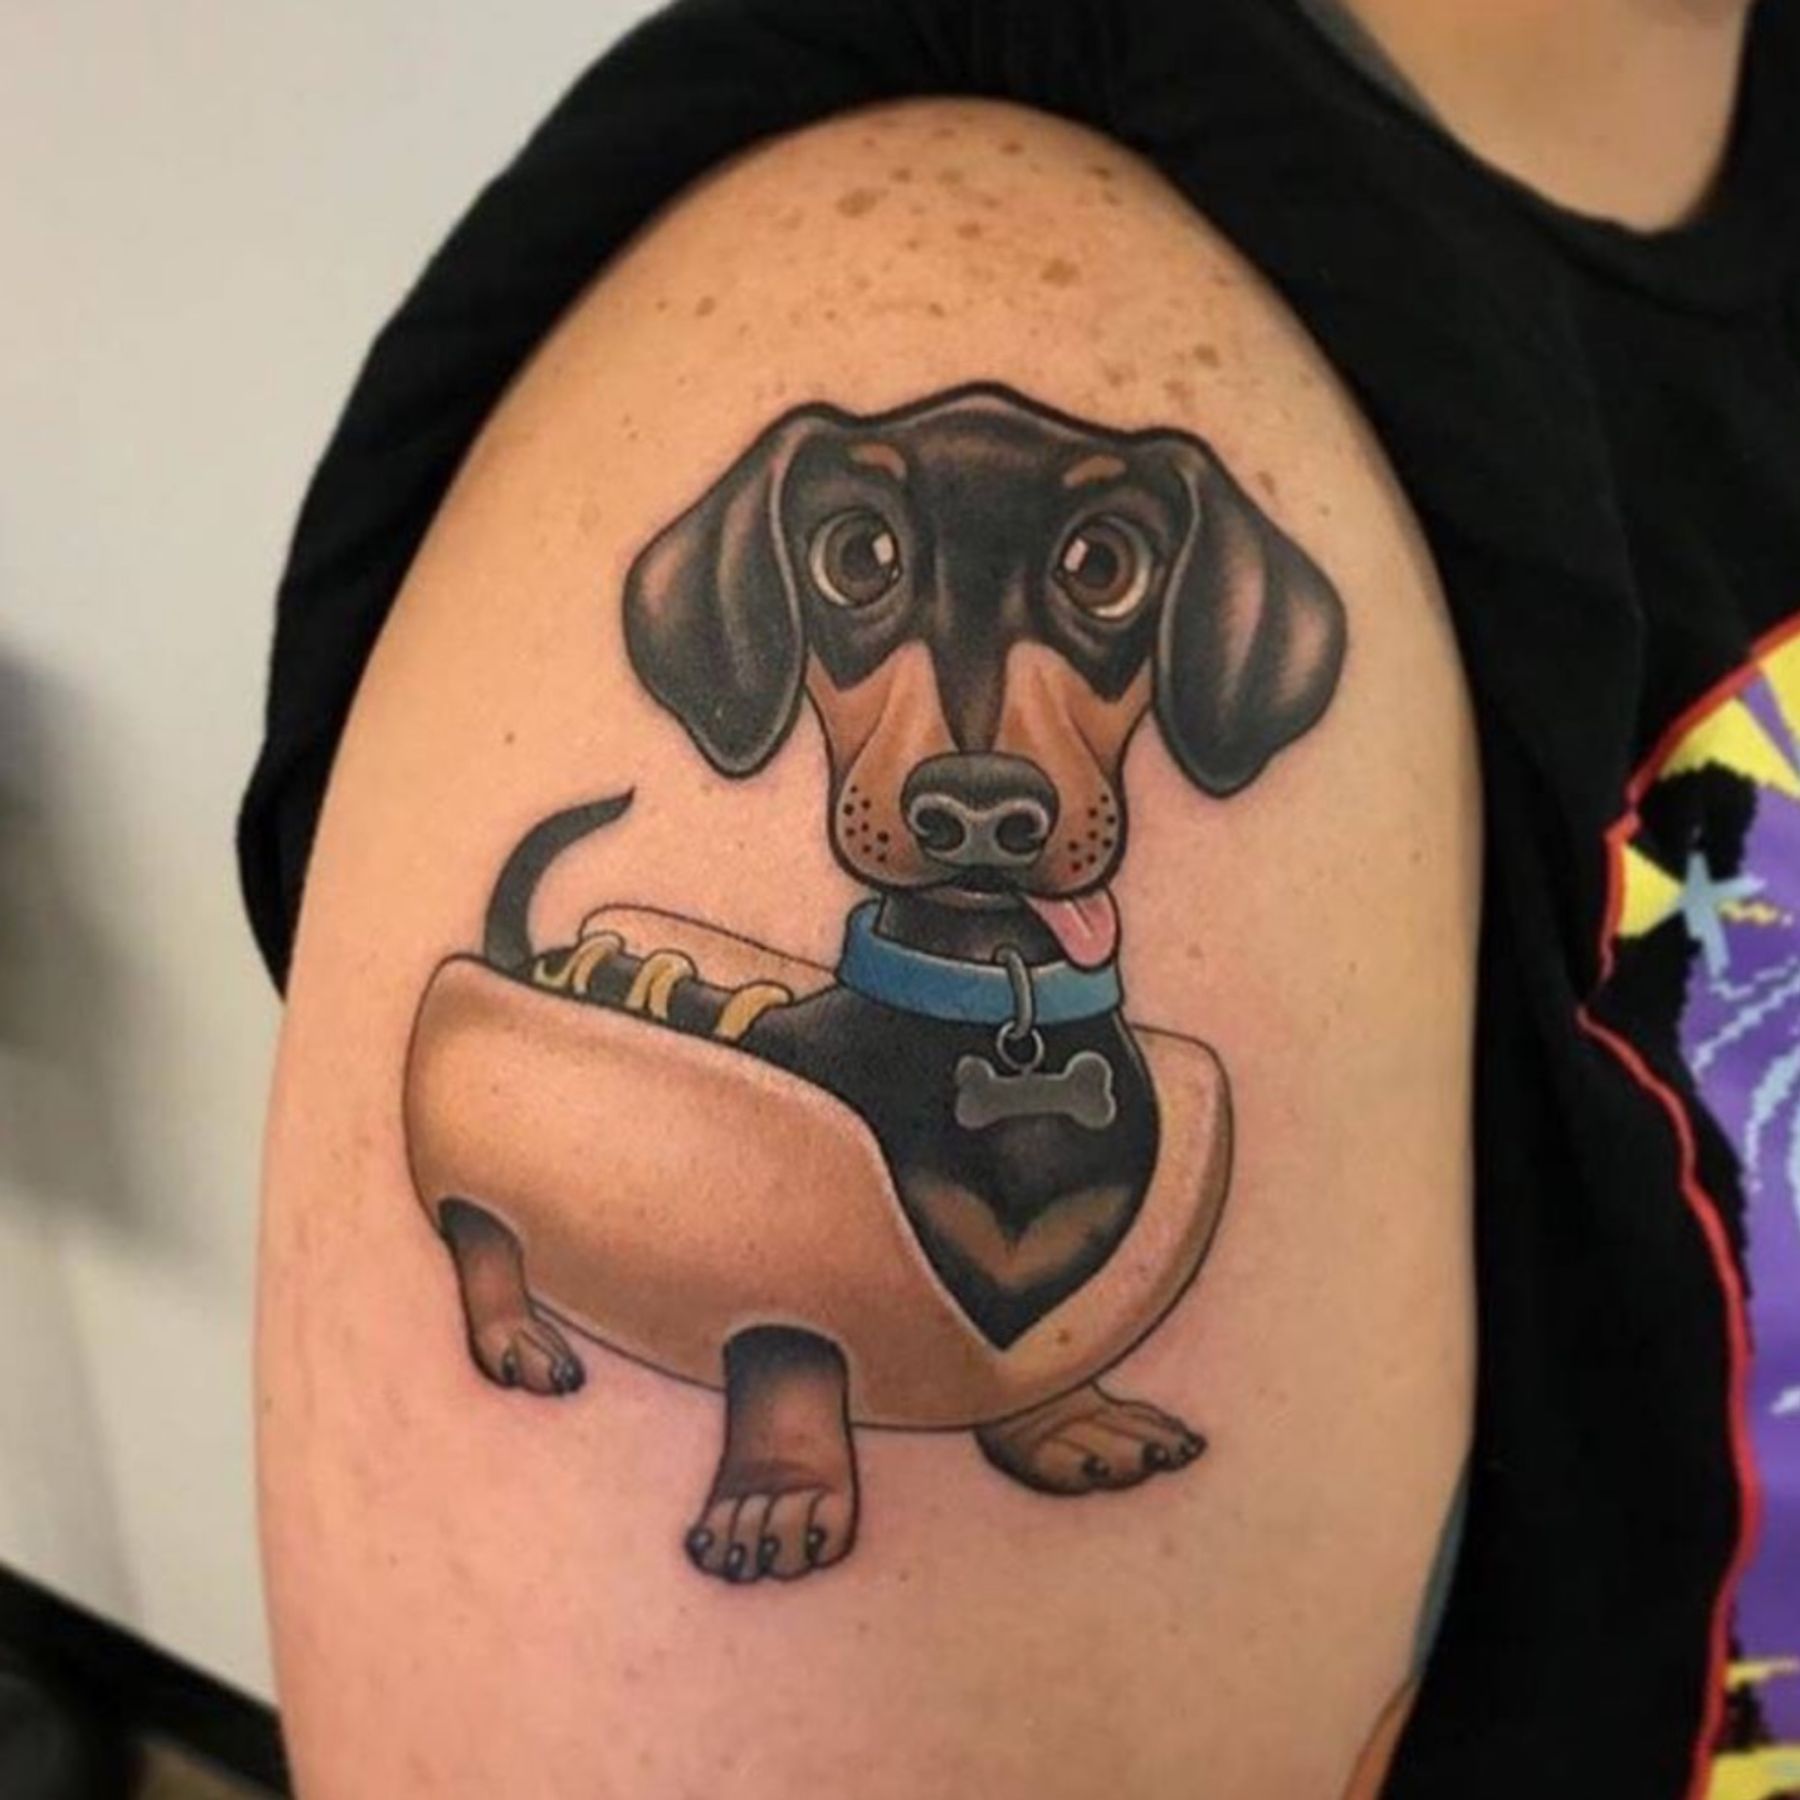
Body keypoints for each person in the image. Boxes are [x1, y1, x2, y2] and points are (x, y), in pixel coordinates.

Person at [238, 1, 1800, 1793]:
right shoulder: (997, 256)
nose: (979, 767)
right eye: (864, 566)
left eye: (1098, 574)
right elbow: (775, 1270)